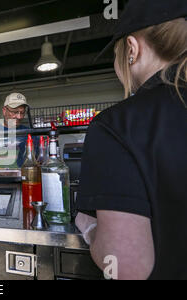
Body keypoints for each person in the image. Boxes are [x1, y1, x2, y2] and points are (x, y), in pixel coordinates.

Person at [75, 0, 187, 280]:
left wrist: (90, 228)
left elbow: (125, 266)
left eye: (117, 54)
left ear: (132, 50)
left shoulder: (116, 126)